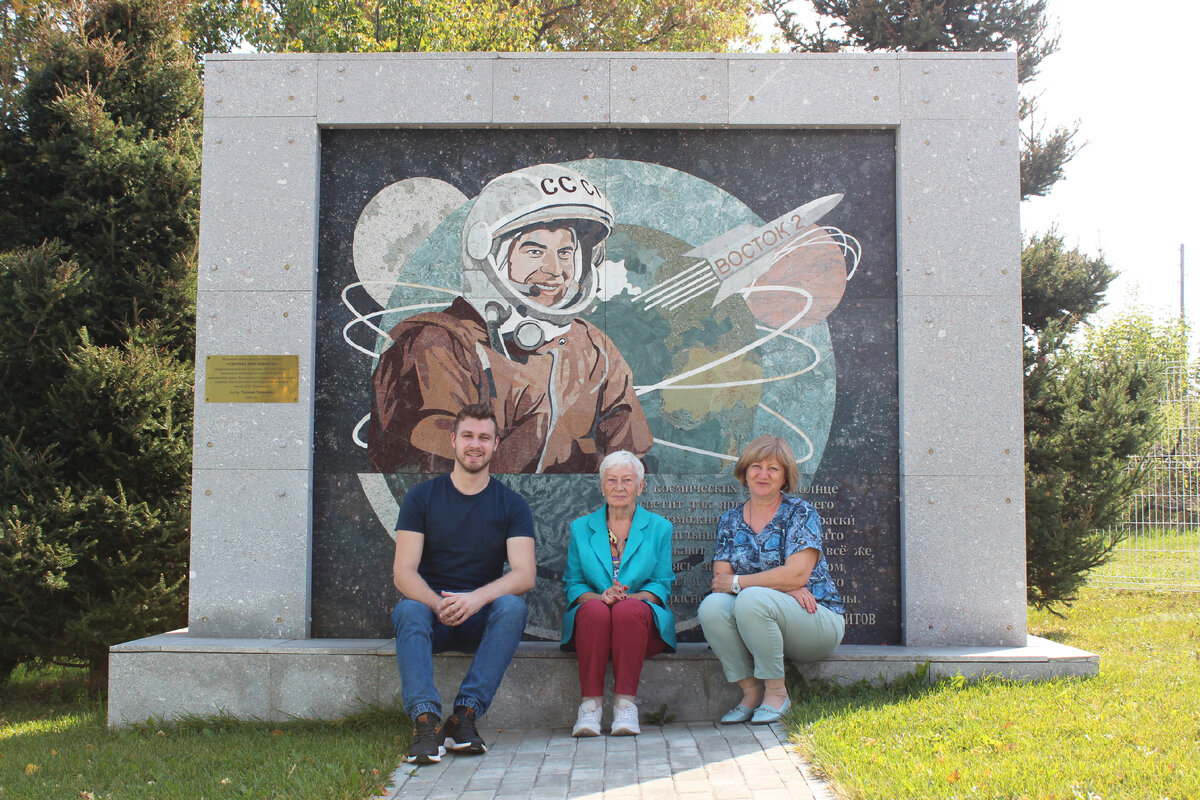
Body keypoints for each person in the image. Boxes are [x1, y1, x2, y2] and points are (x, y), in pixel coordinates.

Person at [368, 163, 652, 474]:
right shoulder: (438, 344)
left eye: (566, 252)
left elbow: (628, 458)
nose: (555, 270)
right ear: (488, 253)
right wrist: (541, 429)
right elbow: (434, 468)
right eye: (534, 251)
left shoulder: (592, 348)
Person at [390, 403, 536, 764]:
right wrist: (437, 603)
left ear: (496, 444)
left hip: (479, 619)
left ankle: (464, 717)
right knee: (408, 609)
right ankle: (426, 723)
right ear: (453, 441)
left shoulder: (511, 504)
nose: (475, 444)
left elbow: (524, 574)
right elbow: (403, 571)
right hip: (432, 615)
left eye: (484, 437)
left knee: (513, 607)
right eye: (468, 436)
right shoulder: (421, 498)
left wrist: (475, 599)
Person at [697, 435, 844, 725]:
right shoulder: (730, 520)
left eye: (773, 469)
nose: (763, 475)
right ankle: (751, 693)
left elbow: (797, 574)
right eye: (756, 466)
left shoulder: (801, 513)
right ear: (744, 471)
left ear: (785, 476)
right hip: (760, 619)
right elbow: (721, 581)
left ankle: (777, 694)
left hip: (814, 619)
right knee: (712, 607)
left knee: (752, 598)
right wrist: (783, 588)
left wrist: (768, 586)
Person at [560, 450, 676, 737]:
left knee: (626, 610)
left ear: (640, 486)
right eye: (611, 480)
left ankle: (625, 707)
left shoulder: (660, 528)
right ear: (602, 486)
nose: (619, 487)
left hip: (640, 626)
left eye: (627, 480)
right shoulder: (580, 528)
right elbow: (573, 584)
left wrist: (627, 598)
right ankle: (589, 709)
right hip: (592, 625)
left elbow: (662, 583)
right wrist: (602, 597)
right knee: (595, 610)